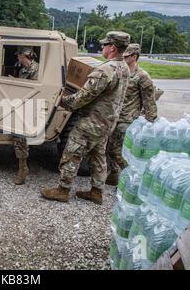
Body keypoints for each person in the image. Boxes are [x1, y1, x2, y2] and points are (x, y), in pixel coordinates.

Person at [41, 31, 131, 204]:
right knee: (97, 156)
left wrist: (63, 101)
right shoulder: (124, 67)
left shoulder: (105, 70)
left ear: (112, 48)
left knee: (71, 152)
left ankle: (63, 190)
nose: (102, 47)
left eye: (104, 45)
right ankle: (97, 192)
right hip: (107, 122)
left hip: (92, 121)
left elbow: (84, 96)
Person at [105, 43, 158, 185]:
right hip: (113, 117)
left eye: (126, 56)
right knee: (108, 148)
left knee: (118, 151)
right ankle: (115, 174)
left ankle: (131, 179)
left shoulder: (142, 76)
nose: (123, 58)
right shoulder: (120, 71)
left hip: (127, 120)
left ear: (134, 56)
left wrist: (150, 123)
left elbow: (149, 101)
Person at [13, 47, 39, 185]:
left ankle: (23, 169)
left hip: (30, 104)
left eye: (19, 55)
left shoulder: (36, 69)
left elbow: (35, 88)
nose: (17, 58)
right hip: (22, 102)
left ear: (25, 56)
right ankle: (22, 167)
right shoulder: (24, 68)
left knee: (20, 136)